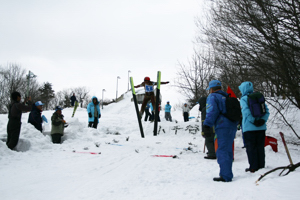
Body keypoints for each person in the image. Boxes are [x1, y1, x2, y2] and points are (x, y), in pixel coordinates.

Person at [203, 80, 238, 182]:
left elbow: (212, 111)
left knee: (222, 150)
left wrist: (207, 125)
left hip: (222, 125)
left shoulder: (213, 96)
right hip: (232, 125)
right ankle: (227, 173)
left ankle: (225, 175)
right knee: (228, 150)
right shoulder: (227, 96)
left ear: (212, 89)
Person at [239, 81, 270, 173]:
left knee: (251, 147)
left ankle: (253, 167)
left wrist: (253, 121)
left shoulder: (244, 99)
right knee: (260, 147)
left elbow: (246, 111)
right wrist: (262, 120)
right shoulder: (259, 97)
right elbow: (267, 111)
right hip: (261, 127)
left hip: (249, 128)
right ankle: (261, 166)